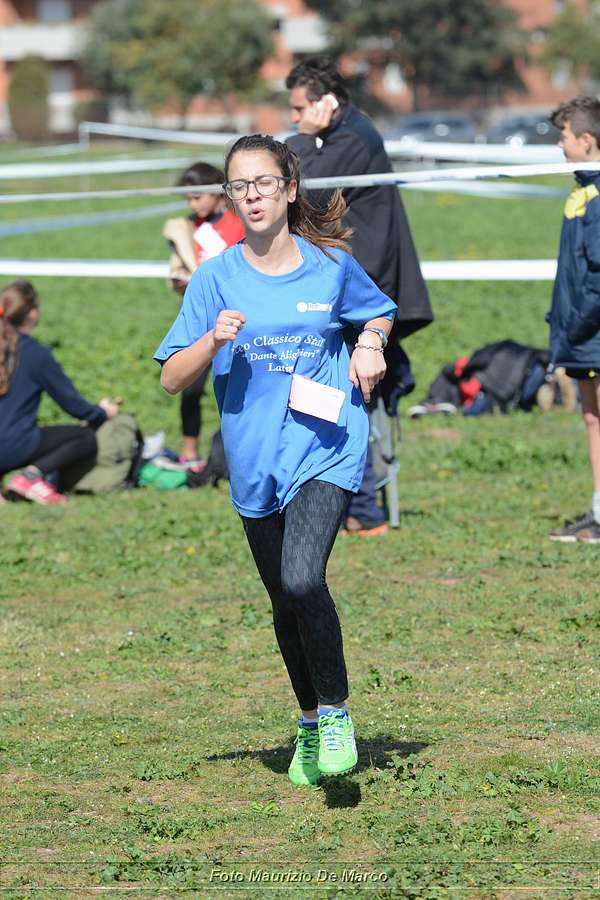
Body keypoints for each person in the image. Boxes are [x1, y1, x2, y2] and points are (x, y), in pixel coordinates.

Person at [155, 134, 396, 784]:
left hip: (325, 445)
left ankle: (337, 713)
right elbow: (172, 379)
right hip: (254, 459)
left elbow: (377, 313)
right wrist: (211, 340)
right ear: (230, 197)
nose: (253, 195)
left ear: (289, 189)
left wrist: (369, 343)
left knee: (302, 579)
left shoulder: (330, 265)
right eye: (240, 186)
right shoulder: (215, 278)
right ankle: (310, 722)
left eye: (264, 182)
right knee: (283, 601)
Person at [285, 55, 433, 535]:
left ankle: (364, 510)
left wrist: (298, 143)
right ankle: (352, 505)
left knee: (347, 394)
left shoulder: (352, 138)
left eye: (300, 108)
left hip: (361, 289)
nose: (294, 118)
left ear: (326, 103)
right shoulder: (341, 135)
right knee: (340, 391)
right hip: (350, 281)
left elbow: (304, 188)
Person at [0, 280, 119, 505]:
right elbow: (74, 406)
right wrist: (103, 412)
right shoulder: (36, 354)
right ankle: (30, 477)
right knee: (85, 437)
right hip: (14, 447)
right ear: (32, 313)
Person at [163, 161, 245, 468]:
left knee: (236, 387)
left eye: (198, 197)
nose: (193, 204)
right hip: (201, 321)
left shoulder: (238, 223)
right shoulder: (187, 228)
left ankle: (235, 452)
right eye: (188, 199)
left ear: (215, 191)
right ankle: (190, 453)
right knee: (191, 388)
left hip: (238, 319)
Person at [547, 97, 600, 544]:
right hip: (583, 332)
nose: (560, 145)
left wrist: (577, 326)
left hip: (591, 330)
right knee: (591, 417)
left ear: (586, 140)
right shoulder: (581, 191)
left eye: (563, 136)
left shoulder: (596, 198)